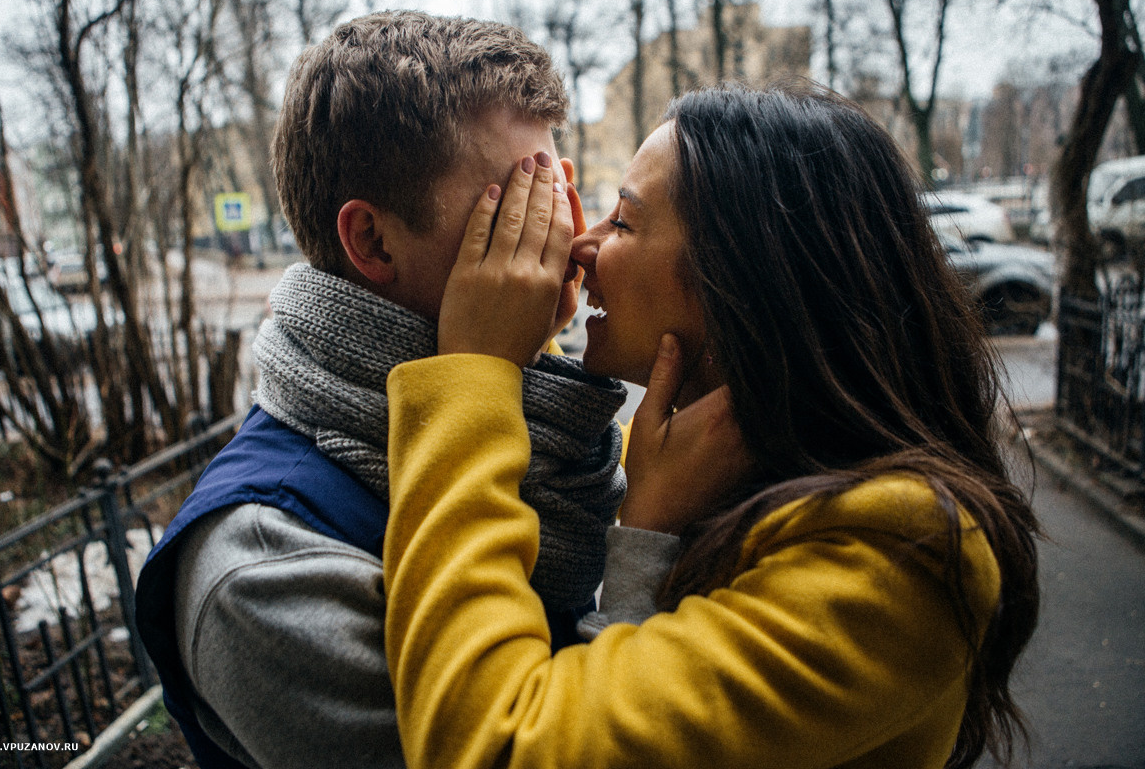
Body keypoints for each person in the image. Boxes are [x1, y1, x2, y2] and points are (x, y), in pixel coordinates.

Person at [381, 81, 1042, 769]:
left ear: (743, 280)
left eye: (625, 223)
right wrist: (647, 536)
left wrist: (472, 373)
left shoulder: (899, 556)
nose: (583, 245)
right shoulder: (740, 478)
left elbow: (499, 744)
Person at [134, 11, 630, 769]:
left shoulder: (548, 437)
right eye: (518, 209)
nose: (569, 239)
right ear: (371, 240)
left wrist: (518, 352)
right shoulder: (266, 570)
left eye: (556, 194)